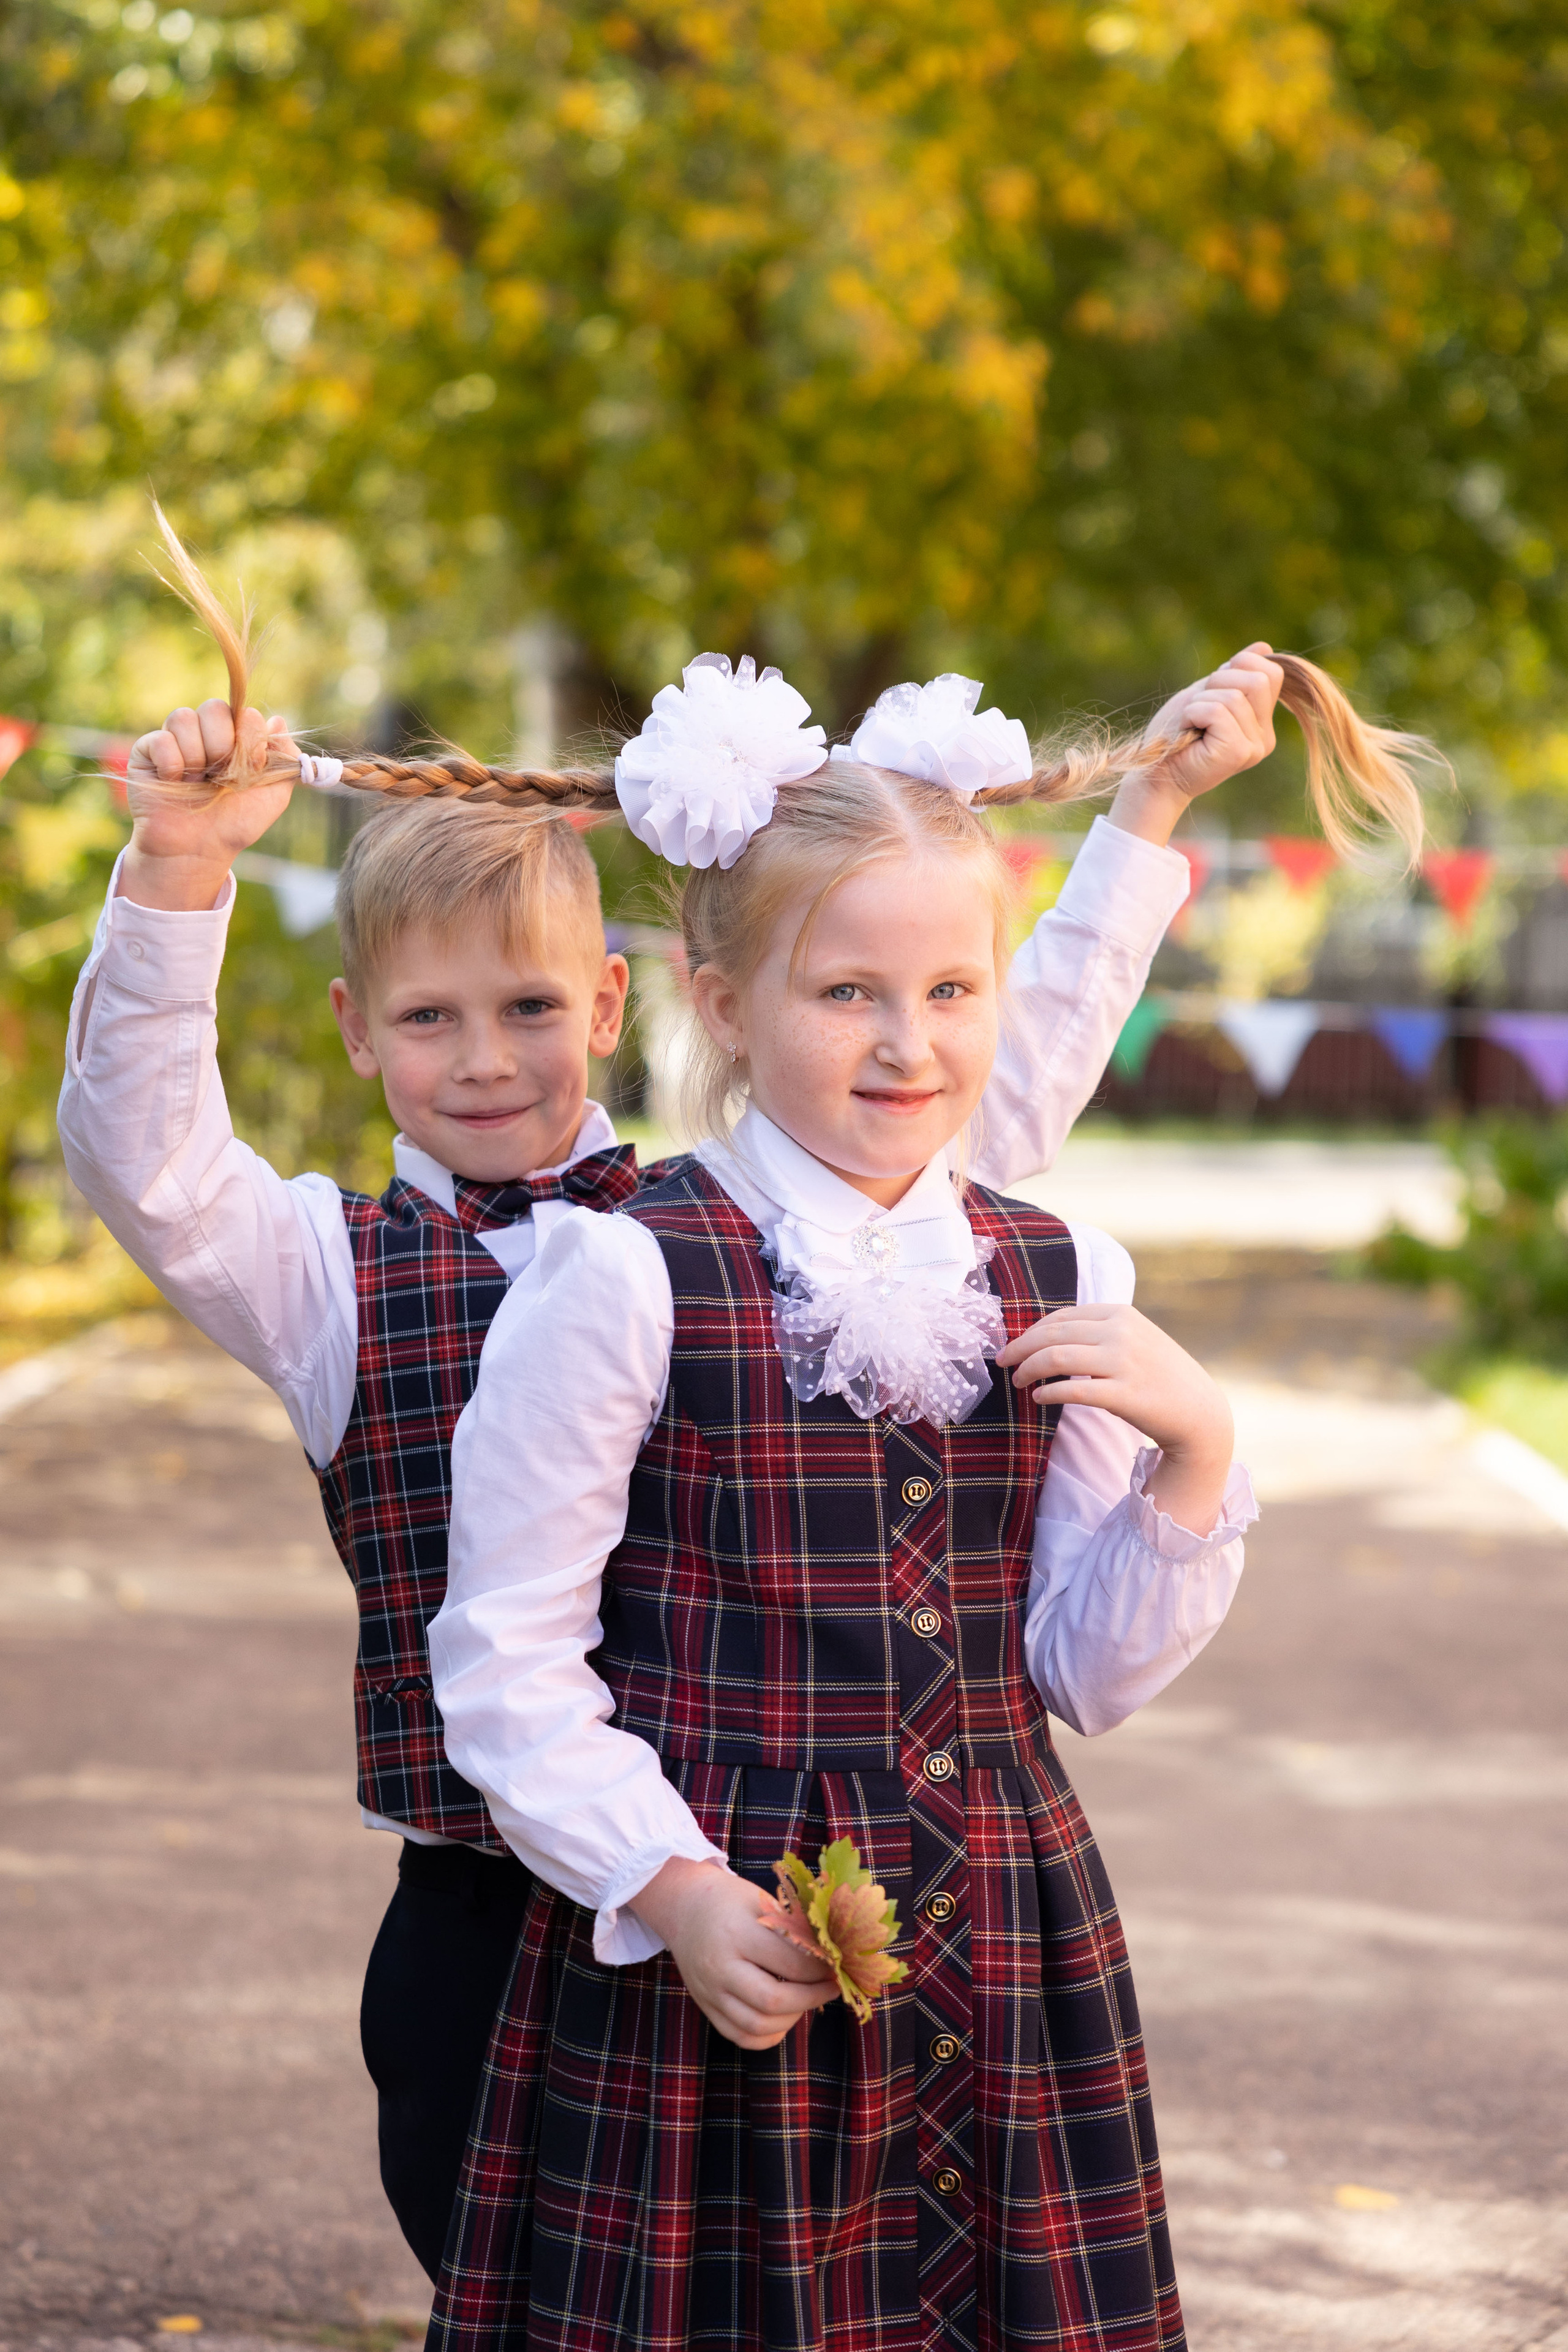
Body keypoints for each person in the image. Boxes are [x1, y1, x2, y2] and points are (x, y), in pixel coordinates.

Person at [55, 519, 1305, 2282]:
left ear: (629, 1002)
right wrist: (180, 872)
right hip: (505, 1895)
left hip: (789, 1879)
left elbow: (973, 1098)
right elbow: (150, 1161)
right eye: (431, 1019)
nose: (486, 1058)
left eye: (531, 1008)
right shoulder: (343, 1273)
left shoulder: (712, 1227)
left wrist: (1143, 833)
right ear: (356, 1030)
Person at [424, 662, 1436, 2348]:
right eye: (847, 993)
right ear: (725, 1000)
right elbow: (506, 1663)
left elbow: (1083, 1675)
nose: (912, 1043)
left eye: (957, 988)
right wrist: (667, 1890)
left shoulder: (1054, 1268)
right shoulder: (624, 1271)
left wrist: (1200, 1452)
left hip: (1004, 1934)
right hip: (720, 1946)